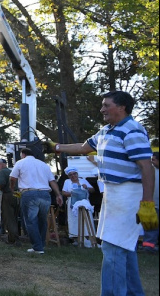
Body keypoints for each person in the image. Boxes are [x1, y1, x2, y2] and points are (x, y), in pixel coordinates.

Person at [50, 90, 157, 296]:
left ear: (122, 107)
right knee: (124, 249)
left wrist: (148, 203)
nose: (102, 109)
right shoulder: (107, 130)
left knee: (112, 248)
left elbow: (146, 167)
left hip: (128, 194)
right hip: (112, 194)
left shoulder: (132, 130)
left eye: (106, 105)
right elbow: (83, 147)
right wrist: (56, 146)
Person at [9, 148, 63, 254]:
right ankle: (40, 245)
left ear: (23, 154)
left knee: (31, 221)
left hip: (29, 194)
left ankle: (37, 247)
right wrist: (58, 195)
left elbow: (12, 178)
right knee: (43, 221)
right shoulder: (43, 165)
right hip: (45, 194)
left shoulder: (20, 162)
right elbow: (52, 181)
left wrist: (12, 189)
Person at [0, 158, 19, 244]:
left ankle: (13, 240)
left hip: (8, 195)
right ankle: (14, 236)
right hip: (17, 195)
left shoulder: (2, 172)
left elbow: (0, 184)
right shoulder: (10, 171)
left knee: (8, 218)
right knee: (14, 217)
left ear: (1, 165)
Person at [61, 166, 94, 246]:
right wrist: (72, 194)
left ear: (77, 174)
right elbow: (63, 192)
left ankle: (88, 237)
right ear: (68, 176)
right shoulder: (67, 182)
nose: (73, 176)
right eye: (71, 175)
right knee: (74, 220)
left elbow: (92, 190)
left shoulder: (83, 180)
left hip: (84, 202)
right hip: (73, 202)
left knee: (87, 217)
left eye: (74, 174)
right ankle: (76, 238)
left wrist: (87, 188)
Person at [139, 150, 159, 252]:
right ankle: (148, 247)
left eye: (154, 160)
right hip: (153, 205)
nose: (152, 162)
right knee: (151, 227)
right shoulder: (150, 171)